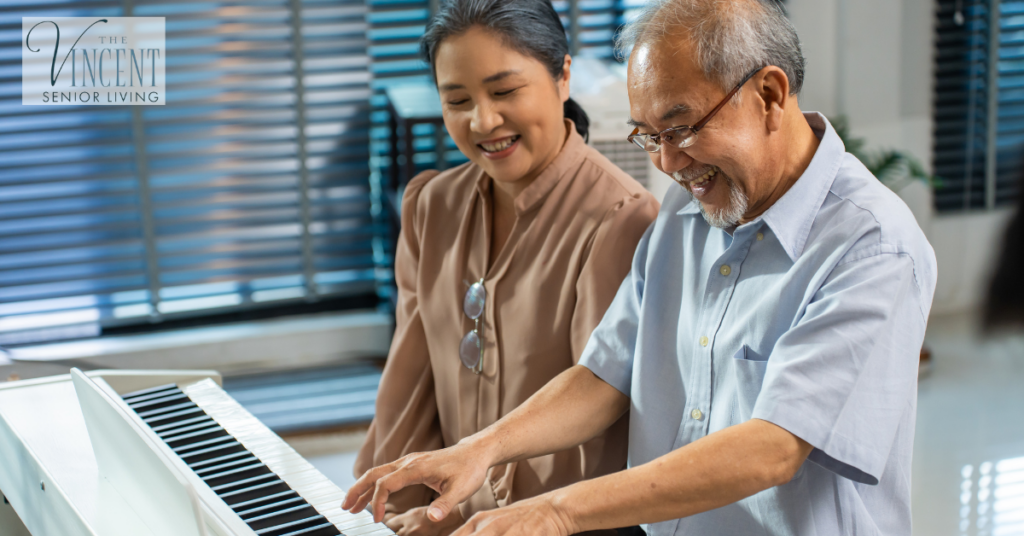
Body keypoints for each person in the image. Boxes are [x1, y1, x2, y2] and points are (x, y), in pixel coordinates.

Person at [343, 0, 938, 535]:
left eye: (680, 128)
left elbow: (773, 446)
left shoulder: (871, 245)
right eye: (647, 135)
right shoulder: (690, 207)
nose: (669, 162)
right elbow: (605, 374)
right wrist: (483, 448)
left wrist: (555, 510)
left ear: (770, 95)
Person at [354, 1, 659, 535]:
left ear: (562, 75)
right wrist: (384, 510)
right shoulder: (430, 205)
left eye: (504, 91)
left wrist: (464, 519)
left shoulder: (620, 220)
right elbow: (409, 385)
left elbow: (594, 416)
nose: (483, 121)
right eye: (458, 100)